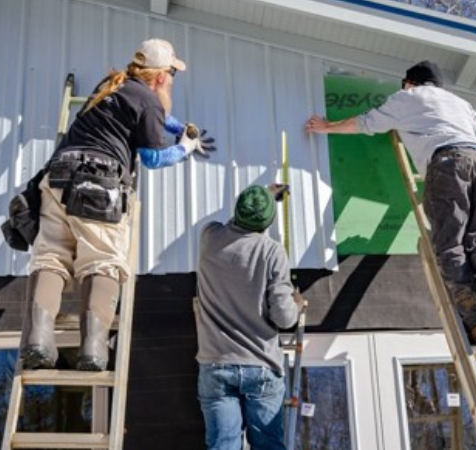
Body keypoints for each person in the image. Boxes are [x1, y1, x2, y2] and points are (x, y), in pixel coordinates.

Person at [304, 60, 476, 345]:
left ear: (410, 83)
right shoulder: (461, 103)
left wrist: (327, 127)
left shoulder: (408, 97)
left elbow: (367, 123)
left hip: (448, 162)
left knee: (450, 245)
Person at [21, 38, 216, 372]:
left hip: (57, 177)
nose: (172, 81)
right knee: (103, 261)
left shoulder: (110, 85)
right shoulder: (150, 102)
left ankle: (38, 342)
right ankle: (93, 351)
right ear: (159, 78)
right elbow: (153, 157)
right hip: (98, 184)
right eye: (171, 74)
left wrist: (178, 126)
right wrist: (185, 146)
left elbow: (150, 114)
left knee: (51, 257)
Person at [194, 184, 304, 450]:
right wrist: (296, 304)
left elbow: (232, 225)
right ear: (267, 222)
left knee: (223, 445)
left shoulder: (210, 237)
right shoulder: (272, 251)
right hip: (261, 365)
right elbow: (284, 317)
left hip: (217, 364)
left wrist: (263, 195)